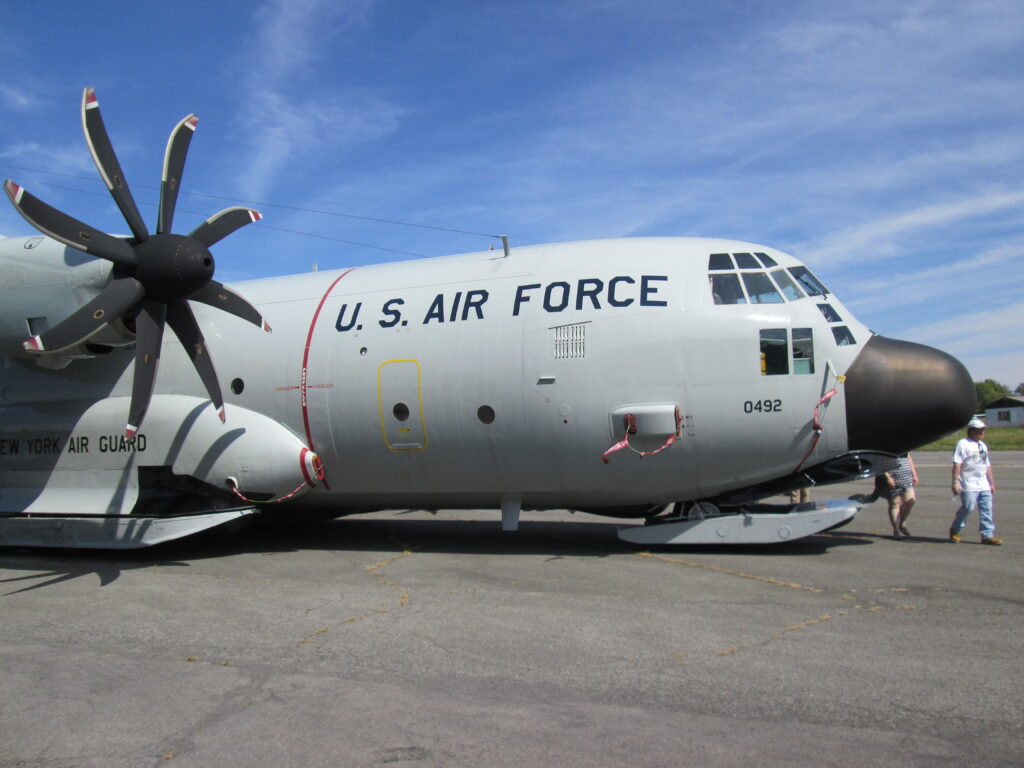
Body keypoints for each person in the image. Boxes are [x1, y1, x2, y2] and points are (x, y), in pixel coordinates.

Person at [950, 418, 1002, 545]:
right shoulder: (963, 444)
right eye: (980, 430)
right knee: (968, 507)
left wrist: (991, 483)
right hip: (968, 483)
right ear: (971, 431)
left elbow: (986, 465)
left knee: (987, 509)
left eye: (983, 430)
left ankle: (987, 535)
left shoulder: (982, 446)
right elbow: (957, 463)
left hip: (983, 483)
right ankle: (955, 529)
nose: (982, 433)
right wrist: (955, 482)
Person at [881, 454, 917, 538]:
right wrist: (888, 478)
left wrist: (914, 474)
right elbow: (881, 463)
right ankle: (896, 531)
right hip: (893, 480)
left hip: (907, 479)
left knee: (910, 502)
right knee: (894, 504)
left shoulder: (903, 446)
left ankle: (902, 522)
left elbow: (909, 460)